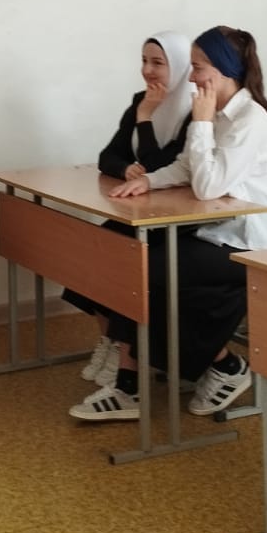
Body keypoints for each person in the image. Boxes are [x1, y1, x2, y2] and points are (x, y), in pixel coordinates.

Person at [70, 26, 267, 421]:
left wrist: (202, 123)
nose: (191, 77)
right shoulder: (216, 113)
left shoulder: (249, 119)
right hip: (217, 234)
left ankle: (142, 383)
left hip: (253, 245)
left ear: (223, 71)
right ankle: (200, 370)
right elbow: (186, 166)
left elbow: (208, 186)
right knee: (129, 256)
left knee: (144, 269)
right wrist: (148, 181)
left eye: (198, 67)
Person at [73, 31, 194, 386]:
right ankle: (110, 342)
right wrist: (125, 167)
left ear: (181, 66)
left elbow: (162, 167)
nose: (148, 70)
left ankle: (128, 352)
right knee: (94, 250)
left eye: (158, 63)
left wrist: (145, 118)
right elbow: (107, 156)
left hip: (182, 220)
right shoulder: (142, 100)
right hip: (144, 211)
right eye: (144, 61)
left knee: (121, 261)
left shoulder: (196, 110)